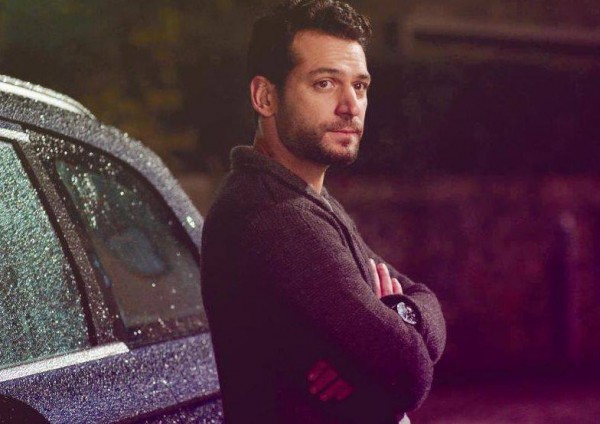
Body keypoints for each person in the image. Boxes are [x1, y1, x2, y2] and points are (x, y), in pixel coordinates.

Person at [200, 1, 446, 423]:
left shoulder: (309, 202)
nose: (350, 105)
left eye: (360, 86)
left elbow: (426, 300)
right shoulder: (275, 215)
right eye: (325, 83)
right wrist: (382, 351)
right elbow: (409, 372)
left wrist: (395, 315)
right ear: (265, 97)